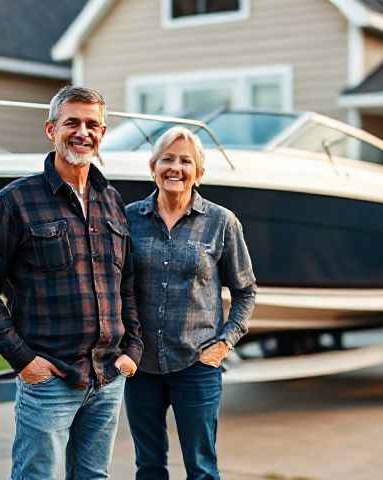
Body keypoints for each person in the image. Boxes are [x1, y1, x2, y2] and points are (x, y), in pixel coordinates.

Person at [0, 86, 142, 480]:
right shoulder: (14, 201)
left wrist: (133, 348)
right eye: (72, 122)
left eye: (92, 124)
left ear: (102, 133)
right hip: (50, 379)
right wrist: (23, 360)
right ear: (51, 130)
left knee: (93, 476)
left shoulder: (112, 200)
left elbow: (126, 284)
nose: (83, 132)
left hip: (107, 377)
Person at [124, 126, 256, 480]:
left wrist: (225, 343)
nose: (175, 168)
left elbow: (246, 291)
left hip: (197, 364)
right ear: (153, 167)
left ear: (199, 173)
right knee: (148, 466)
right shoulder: (128, 218)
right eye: (167, 159)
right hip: (141, 366)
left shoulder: (221, 222)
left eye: (186, 161)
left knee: (202, 469)